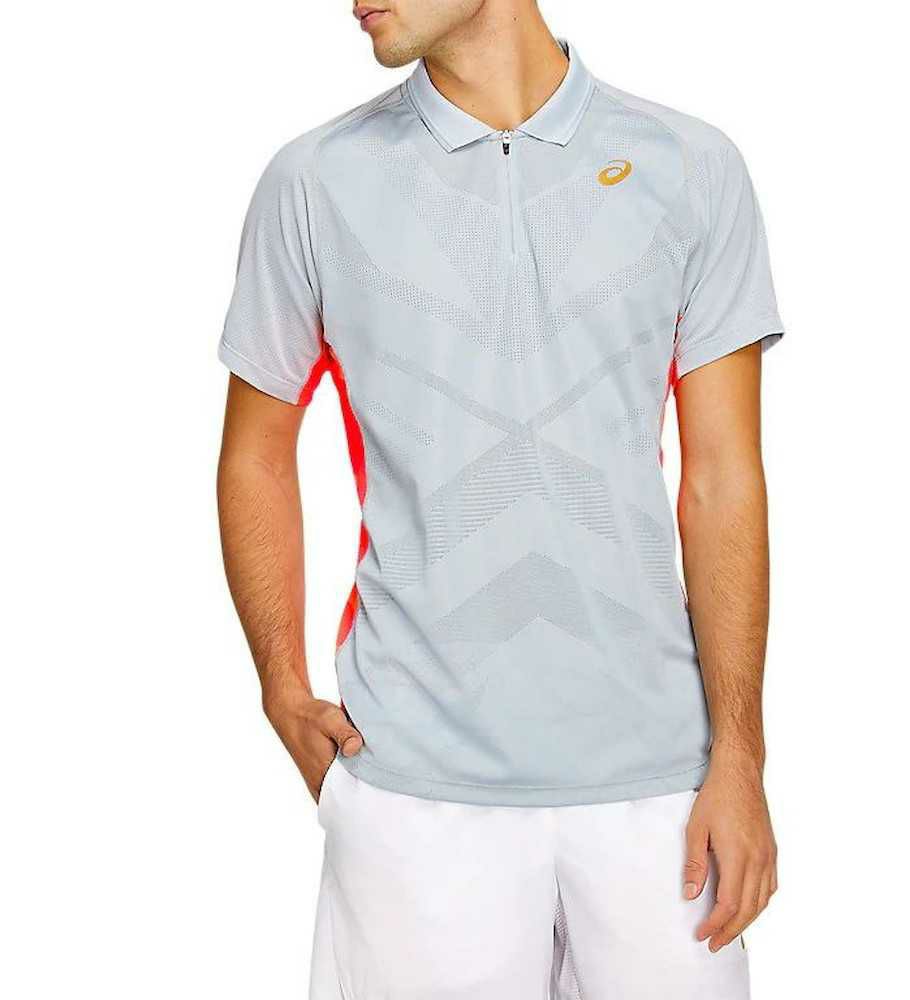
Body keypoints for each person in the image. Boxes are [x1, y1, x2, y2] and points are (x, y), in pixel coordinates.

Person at [217, 1, 783, 996]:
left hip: (662, 794)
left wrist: (740, 756)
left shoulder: (691, 167)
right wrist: (280, 685)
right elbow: (255, 453)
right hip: (412, 791)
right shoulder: (313, 181)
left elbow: (722, 479)